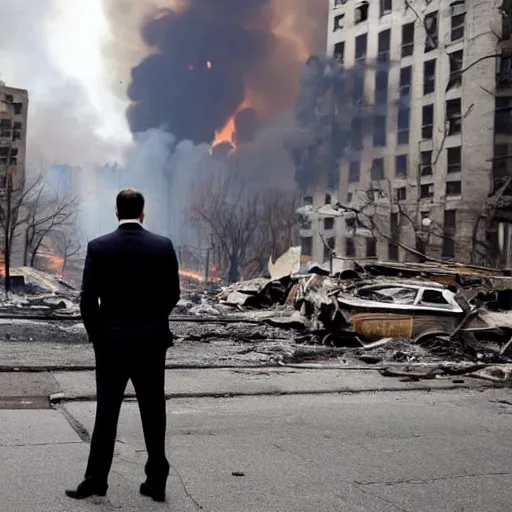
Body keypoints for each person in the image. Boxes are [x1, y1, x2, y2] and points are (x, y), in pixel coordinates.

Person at [66, 188, 180, 503]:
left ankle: (95, 480)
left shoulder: (99, 247)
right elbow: (173, 293)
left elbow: (87, 299)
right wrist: (154, 322)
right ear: (142, 213)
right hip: (150, 343)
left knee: (106, 413)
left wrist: (97, 335)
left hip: (111, 344)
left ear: (116, 213)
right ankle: (156, 482)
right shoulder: (163, 247)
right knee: (154, 411)